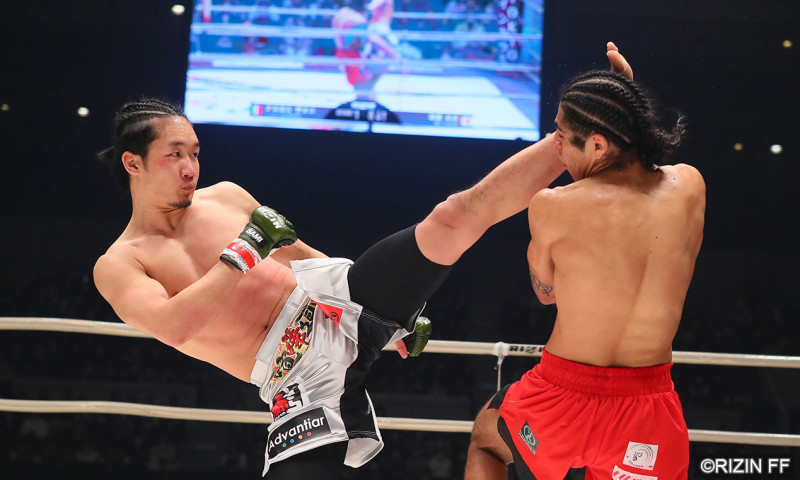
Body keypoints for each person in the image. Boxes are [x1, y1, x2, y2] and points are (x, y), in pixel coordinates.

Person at [92, 74, 571, 474]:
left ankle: (575, 132)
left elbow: (303, 256)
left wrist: (388, 309)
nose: (190, 167)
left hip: (334, 308)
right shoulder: (120, 264)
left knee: (453, 216)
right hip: (292, 375)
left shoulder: (226, 197)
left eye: (195, 153)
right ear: (133, 162)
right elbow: (174, 326)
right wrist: (242, 253)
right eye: (175, 154)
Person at [464, 43, 704, 480]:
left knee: (486, 439)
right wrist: (619, 99)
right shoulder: (690, 187)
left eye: (560, 136)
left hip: (560, 399)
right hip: (648, 410)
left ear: (597, 143)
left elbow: (546, 295)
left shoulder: (553, 205)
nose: (555, 148)